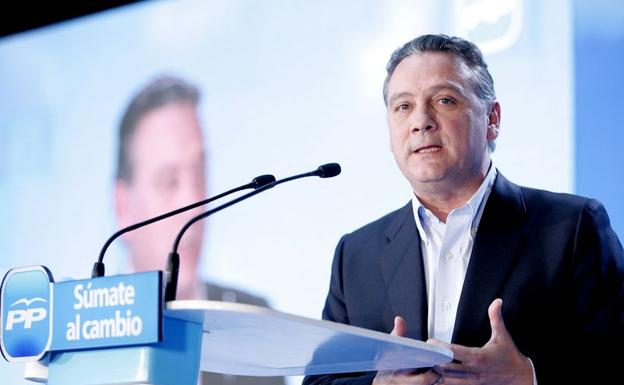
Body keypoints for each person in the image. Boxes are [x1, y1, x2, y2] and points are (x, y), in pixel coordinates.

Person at [303, 34, 624, 385]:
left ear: (492, 119)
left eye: (444, 100)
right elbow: (320, 381)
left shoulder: (572, 228)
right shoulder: (357, 254)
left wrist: (526, 377)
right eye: (403, 106)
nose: (421, 121)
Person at [114, 74, 285, 385]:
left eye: (199, 174)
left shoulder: (254, 324)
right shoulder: (86, 330)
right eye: (169, 181)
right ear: (123, 207)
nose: (195, 203)